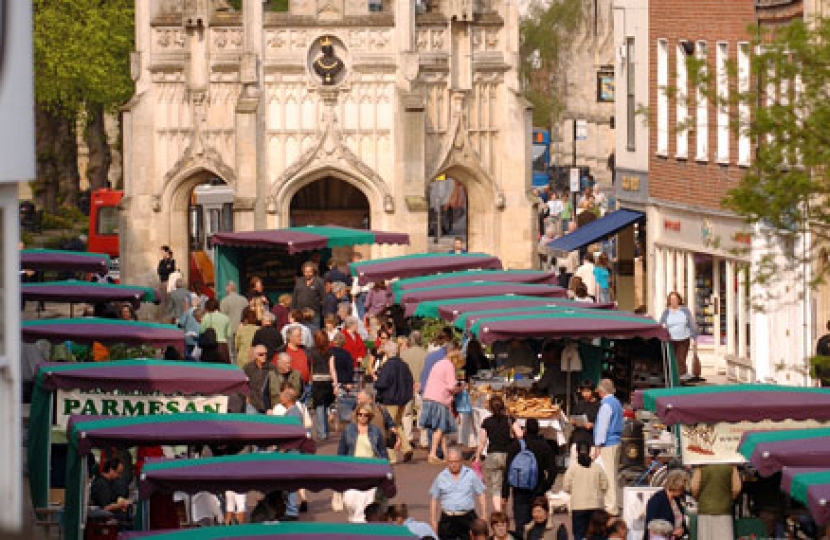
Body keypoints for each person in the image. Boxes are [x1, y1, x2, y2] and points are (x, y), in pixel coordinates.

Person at [501, 419, 556, 535]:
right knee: (538, 525)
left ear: (524, 430)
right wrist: (545, 486)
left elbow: (508, 470)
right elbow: (553, 470)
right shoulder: (545, 446)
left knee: (521, 525)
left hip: (519, 490)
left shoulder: (516, 446)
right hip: (538, 490)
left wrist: (504, 494)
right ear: (538, 430)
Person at [338, 403, 389, 522]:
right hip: (352, 470)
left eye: (365, 415)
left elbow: (382, 451)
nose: (362, 417)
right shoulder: (348, 430)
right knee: (349, 499)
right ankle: (354, 519)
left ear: (370, 417)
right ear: (356, 415)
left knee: (367, 501)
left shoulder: (375, 431)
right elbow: (341, 452)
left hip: (371, 470)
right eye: (360, 414)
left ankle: (360, 527)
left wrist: (385, 468)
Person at [429, 447, 487, 539]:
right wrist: (433, 520)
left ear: (461, 461)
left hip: (467, 517)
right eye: (450, 462)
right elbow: (434, 498)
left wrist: (484, 515)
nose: (453, 465)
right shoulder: (441, 477)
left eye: (456, 461)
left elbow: (481, 493)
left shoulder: (470, 474)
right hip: (447, 518)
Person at [373, 340, 415, 462]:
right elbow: (410, 381)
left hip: (390, 399)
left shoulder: (388, 365)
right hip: (403, 399)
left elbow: (382, 383)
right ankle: (406, 448)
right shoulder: (404, 365)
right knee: (396, 425)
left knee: (389, 427)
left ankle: (391, 456)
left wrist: (377, 381)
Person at [474, 396, 514, 513]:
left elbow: (482, 442)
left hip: (492, 455)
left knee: (495, 486)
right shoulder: (509, 420)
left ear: (490, 409)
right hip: (508, 455)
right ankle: (504, 508)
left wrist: (477, 457)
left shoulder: (486, 422)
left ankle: (498, 511)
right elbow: (520, 434)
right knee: (506, 484)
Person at [421, 348, 461, 464]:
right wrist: (459, 388)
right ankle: (433, 453)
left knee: (439, 429)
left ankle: (445, 454)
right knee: (440, 428)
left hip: (429, 396)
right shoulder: (449, 366)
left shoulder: (438, 363)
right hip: (439, 398)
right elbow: (451, 386)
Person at [562, 444, 608, 540]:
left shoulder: (572, 468)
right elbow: (605, 485)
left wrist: (575, 491)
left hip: (578, 506)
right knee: (596, 534)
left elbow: (566, 486)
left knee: (579, 534)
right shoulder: (597, 467)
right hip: (595, 505)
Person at [592, 378, 623, 515]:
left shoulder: (606, 405)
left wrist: (598, 444)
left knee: (608, 476)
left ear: (601, 391)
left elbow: (602, 426)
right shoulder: (616, 403)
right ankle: (615, 503)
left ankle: (611, 507)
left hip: (608, 443)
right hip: (616, 442)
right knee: (613, 474)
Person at [691, 464, 742, 540]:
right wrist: (730, 498)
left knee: (705, 537)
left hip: (705, 509)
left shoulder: (701, 466)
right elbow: (736, 488)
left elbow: (694, 487)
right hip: (724, 509)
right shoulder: (731, 466)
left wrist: (698, 498)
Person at [658, 291, 698, 381]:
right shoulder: (666, 312)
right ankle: (673, 378)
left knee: (680, 359)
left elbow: (691, 324)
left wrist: (694, 338)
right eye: (671, 299)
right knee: (672, 360)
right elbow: (660, 324)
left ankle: (681, 378)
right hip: (671, 339)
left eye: (675, 299)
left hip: (684, 339)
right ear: (669, 301)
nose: (673, 301)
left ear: (679, 300)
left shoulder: (685, 310)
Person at [401, 330, 429, 449]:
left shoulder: (403, 354)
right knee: (422, 413)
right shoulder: (426, 354)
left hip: (407, 386)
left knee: (406, 413)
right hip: (422, 386)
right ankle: (424, 440)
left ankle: (408, 437)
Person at [644, 469, 689, 540]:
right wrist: (672, 533)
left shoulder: (676, 500)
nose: (683, 491)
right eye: (682, 488)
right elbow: (651, 526)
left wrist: (683, 530)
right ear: (677, 486)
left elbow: (682, 523)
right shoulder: (656, 500)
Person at [89, 457, 132, 529]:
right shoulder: (101, 484)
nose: (119, 476)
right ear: (111, 470)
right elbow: (105, 507)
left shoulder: (108, 482)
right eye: (118, 473)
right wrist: (121, 505)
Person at [310, 330, 336, 440]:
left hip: (316, 380)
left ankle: (322, 432)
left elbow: (310, 367)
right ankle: (325, 430)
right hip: (327, 380)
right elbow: (332, 369)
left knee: (319, 407)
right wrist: (335, 384)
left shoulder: (311, 352)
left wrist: (310, 380)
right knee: (325, 406)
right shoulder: (330, 352)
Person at [243, 345, 279, 413]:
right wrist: (247, 398)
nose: (264, 356)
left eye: (265, 354)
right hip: (253, 403)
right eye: (261, 354)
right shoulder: (248, 367)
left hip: (268, 405)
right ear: (255, 355)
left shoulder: (272, 368)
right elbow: (244, 384)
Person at [221, 281, 250, 361]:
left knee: (231, 352)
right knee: (240, 351)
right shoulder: (244, 300)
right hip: (242, 329)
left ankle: (233, 369)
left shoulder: (224, 301)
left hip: (230, 330)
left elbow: (223, 317)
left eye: (226, 287)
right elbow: (248, 313)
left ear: (228, 288)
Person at [570, 379, 601, 452]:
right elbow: (573, 417)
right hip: (578, 438)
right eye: (583, 391)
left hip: (591, 439)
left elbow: (601, 423)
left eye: (588, 391)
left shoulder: (598, 405)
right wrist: (573, 421)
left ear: (592, 391)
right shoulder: (579, 404)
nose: (585, 394)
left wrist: (593, 425)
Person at [292, 262, 325, 326]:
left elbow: (324, 297)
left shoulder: (319, 281)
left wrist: (320, 308)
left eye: (309, 272)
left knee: (314, 331)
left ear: (313, 272)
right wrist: (293, 310)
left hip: (314, 313)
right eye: (305, 272)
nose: (307, 274)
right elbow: (294, 296)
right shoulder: (299, 281)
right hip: (300, 312)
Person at [200, 299, 231, 364]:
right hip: (222, 347)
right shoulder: (226, 318)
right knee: (223, 369)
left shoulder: (206, 317)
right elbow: (228, 334)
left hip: (209, 347)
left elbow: (201, 331)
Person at [156, 245, 176, 319]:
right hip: (162, 282)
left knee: (168, 301)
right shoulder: (161, 261)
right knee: (163, 301)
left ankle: (169, 318)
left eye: (162, 251)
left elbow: (171, 271)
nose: (161, 253)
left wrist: (164, 270)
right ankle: (163, 317)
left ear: (166, 251)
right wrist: (165, 269)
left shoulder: (171, 261)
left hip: (168, 283)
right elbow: (159, 271)